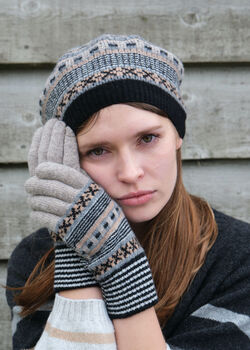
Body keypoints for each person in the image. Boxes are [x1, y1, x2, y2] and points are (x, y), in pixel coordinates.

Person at [6, 34, 250, 350]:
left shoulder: (238, 259)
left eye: (147, 138)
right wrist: (79, 254)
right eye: (97, 151)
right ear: (67, 161)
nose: (130, 172)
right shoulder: (36, 259)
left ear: (178, 136)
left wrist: (118, 265)